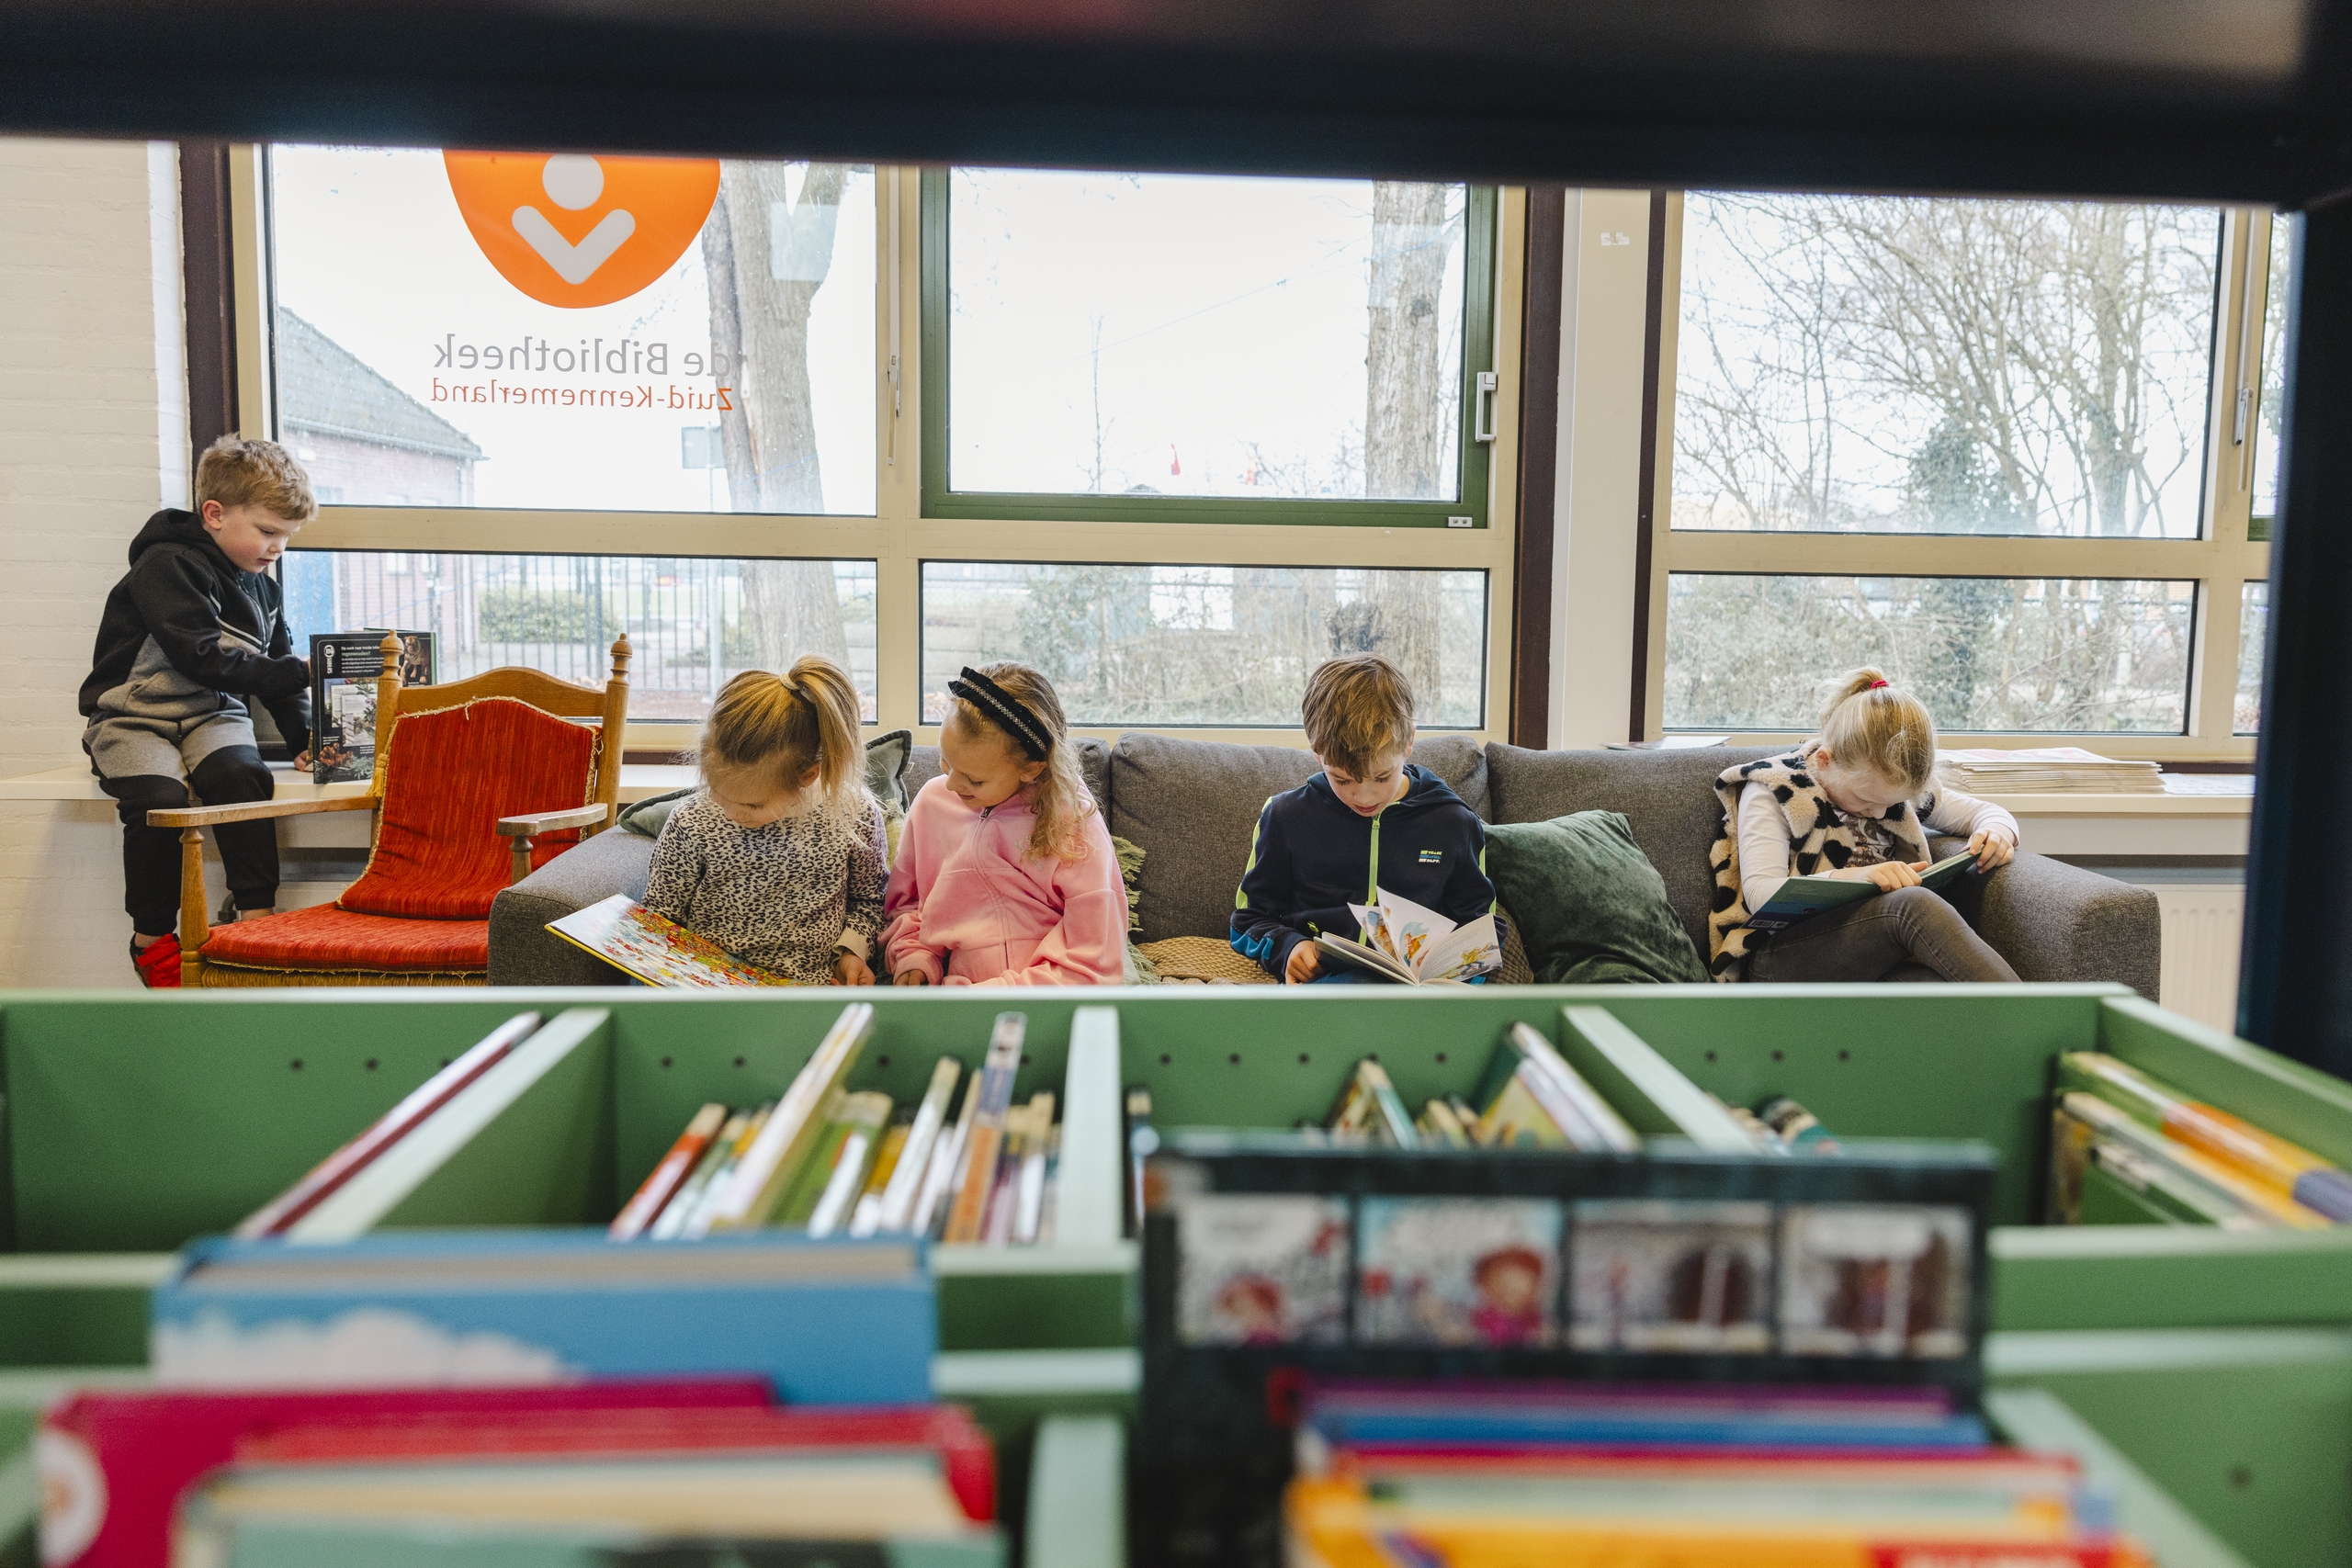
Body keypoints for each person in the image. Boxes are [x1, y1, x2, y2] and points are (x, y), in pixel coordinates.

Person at [81, 436, 316, 988]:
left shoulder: (263, 589)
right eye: (268, 531)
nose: (278, 547)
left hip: (211, 714)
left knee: (242, 777)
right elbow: (201, 656)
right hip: (135, 715)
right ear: (214, 514)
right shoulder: (166, 565)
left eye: (286, 536)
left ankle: (256, 914)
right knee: (158, 802)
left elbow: (274, 667)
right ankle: (151, 937)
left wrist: (304, 738)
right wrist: (298, 672)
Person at [1706, 669, 2021, 984]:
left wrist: (1996, 831)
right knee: (1912, 905)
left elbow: (1985, 812)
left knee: (1934, 984)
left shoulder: (1889, 786)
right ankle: (2033, 1011)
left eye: (1893, 803)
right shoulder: (1774, 789)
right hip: (1781, 957)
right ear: (1825, 761)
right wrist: (1860, 875)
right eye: (1866, 801)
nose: (1881, 812)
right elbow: (1760, 894)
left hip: (1873, 948)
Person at [1231, 652, 1499, 982]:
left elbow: (1480, 927)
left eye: (1382, 777)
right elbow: (1248, 920)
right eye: (1342, 780)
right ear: (1316, 752)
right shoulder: (1285, 816)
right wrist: (1288, 947)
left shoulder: (1453, 822)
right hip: (1326, 987)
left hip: (1417, 994)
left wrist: (1459, 977)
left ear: (1409, 742)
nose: (1364, 797)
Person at [643, 659, 886, 986]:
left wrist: (852, 953)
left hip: (809, 991)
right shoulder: (691, 822)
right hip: (708, 992)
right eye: (718, 793)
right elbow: (660, 917)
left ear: (807, 776)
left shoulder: (853, 815)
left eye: (752, 805)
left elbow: (870, 901)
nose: (731, 813)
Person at [882, 662, 1125, 987]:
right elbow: (906, 907)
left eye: (975, 780)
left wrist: (995, 996)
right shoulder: (932, 802)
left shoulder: (1072, 818)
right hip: (958, 997)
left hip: (1050, 998)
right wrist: (914, 958)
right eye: (945, 762)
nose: (951, 785)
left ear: (1031, 767)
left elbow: (1094, 956)